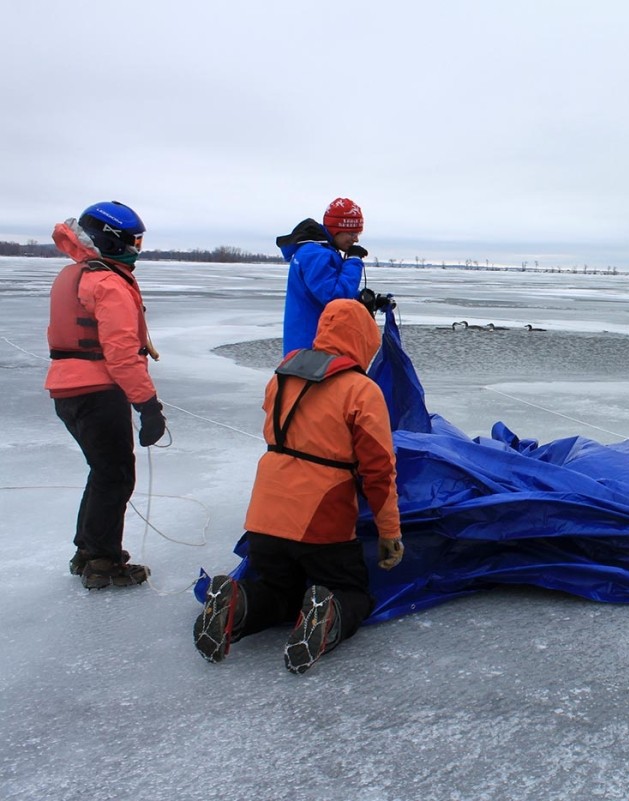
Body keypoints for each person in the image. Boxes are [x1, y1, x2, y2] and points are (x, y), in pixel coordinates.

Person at [193, 299, 405, 674]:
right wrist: (389, 531)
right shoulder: (360, 389)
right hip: (322, 517)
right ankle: (329, 612)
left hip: (266, 514)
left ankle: (236, 604)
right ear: (363, 339)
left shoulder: (280, 379)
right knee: (353, 592)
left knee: (279, 593)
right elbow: (378, 469)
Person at [45, 201, 167, 590]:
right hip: (97, 391)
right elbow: (120, 353)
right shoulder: (108, 282)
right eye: (134, 241)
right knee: (115, 475)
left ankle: (88, 549)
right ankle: (102, 561)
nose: (137, 249)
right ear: (111, 239)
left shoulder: (74, 273)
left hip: (67, 389)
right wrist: (147, 406)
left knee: (103, 472)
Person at [276, 197, 387, 354]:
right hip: (312, 351)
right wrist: (353, 261)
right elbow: (335, 299)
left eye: (358, 233)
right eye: (352, 232)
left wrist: (366, 301)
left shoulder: (321, 252)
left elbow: (327, 291)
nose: (356, 239)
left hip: (315, 346)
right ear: (336, 229)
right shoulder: (315, 255)